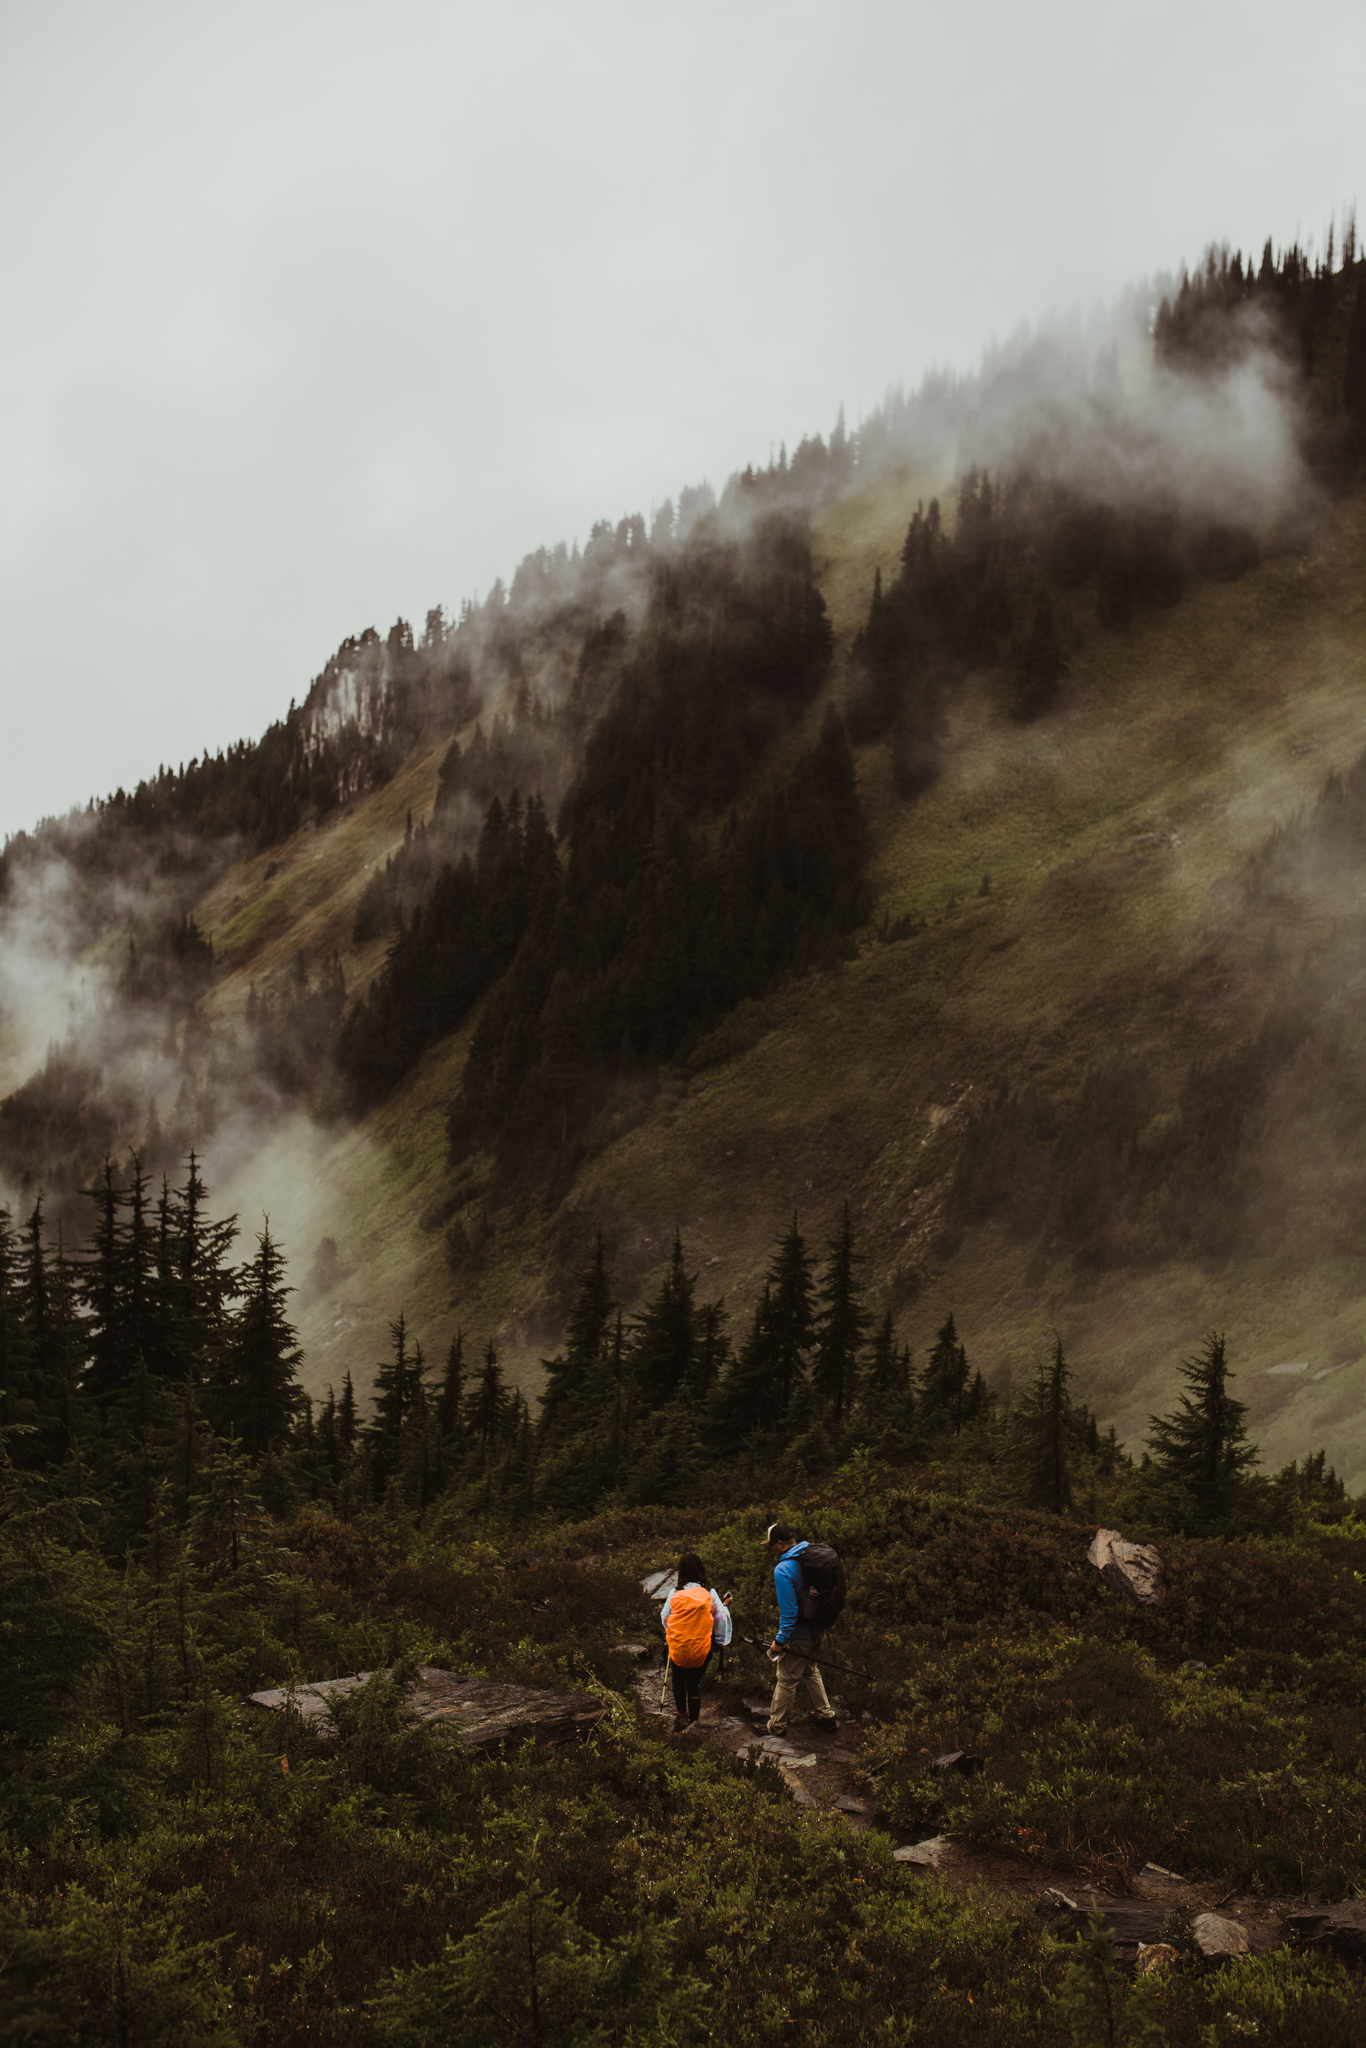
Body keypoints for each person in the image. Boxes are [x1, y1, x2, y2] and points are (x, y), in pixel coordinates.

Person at [764, 1519, 837, 1737]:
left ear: (779, 1544)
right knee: (810, 1670)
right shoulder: (810, 1557)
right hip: (817, 1631)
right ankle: (826, 1716)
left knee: (786, 1680)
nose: (770, 1550)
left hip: (798, 1637)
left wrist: (780, 1641)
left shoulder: (783, 1569)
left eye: (770, 1546)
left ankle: (776, 1728)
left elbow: (789, 1613)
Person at [659, 1552, 732, 1733]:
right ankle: (695, 1722)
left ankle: (681, 1715)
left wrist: (672, 1635)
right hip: (702, 1647)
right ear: (701, 1570)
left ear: (681, 1572)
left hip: (679, 1646)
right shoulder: (709, 1593)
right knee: (693, 1684)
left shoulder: (675, 1593)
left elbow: (665, 1617)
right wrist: (719, 1642)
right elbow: (720, 1619)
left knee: (677, 1680)